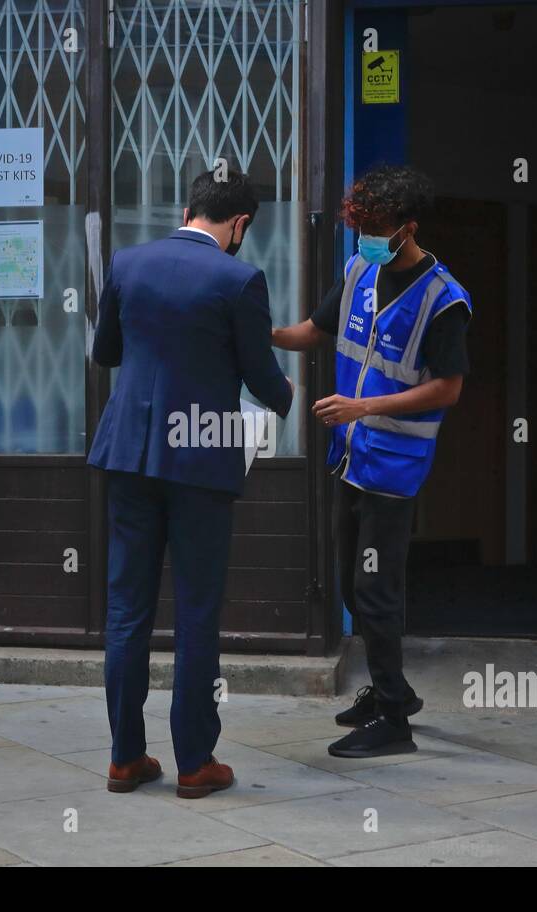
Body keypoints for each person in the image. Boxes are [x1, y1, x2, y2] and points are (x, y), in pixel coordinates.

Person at [89, 168, 294, 797]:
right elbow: (262, 378)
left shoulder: (128, 262)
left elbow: (107, 352)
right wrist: (292, 398)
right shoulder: (239, 279)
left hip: (128, 453)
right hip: (200, 458)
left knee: (127, 609)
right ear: (240, 226)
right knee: (197, 612)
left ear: (186, 209)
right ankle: (195, 763)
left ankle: (125, 756)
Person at [273, 164, 472, 758]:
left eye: (376, 228)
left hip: (394, 465)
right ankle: (394, 690)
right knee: (352, 588)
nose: (365, 237)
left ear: (407, 229)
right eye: (360, 226)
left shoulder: (444, 299)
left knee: (376, 588)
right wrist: (257, 329)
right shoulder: (361, 268)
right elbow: (314, 331)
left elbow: (449, 388)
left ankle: (393, 721)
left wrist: (364, 405)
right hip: (350, 458)